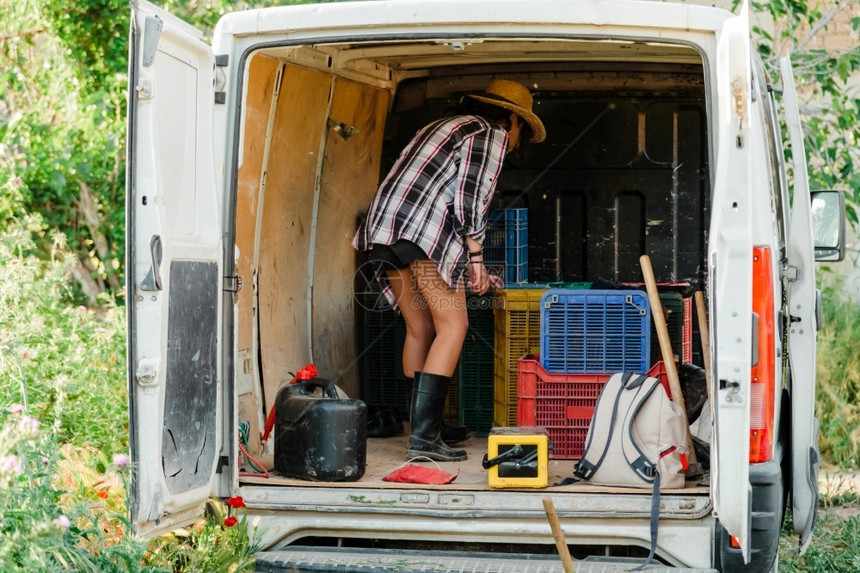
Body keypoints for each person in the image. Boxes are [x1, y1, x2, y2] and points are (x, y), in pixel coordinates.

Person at [353, 79, 545, 462]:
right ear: (512, 118)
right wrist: (476, 257)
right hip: (423, 237)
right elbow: (468, 198)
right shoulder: (490, 132)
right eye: (521, 128)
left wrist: (471, 263)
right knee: (453, 327)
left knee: (420, 328)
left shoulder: (445, 126)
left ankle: (427, 427)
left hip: (387, 233)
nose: (517, 137)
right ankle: (424, 439)